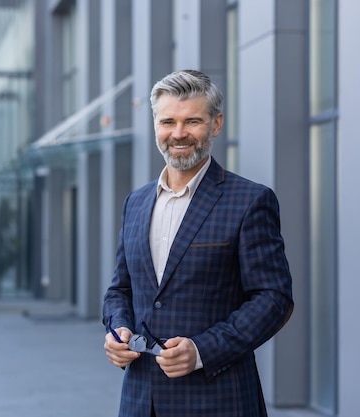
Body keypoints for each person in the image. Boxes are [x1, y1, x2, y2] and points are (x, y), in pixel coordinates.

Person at [102, 69, 293, 417]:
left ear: (216, 124)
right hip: (140, 401)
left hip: (219, 401)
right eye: (167, 122)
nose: (178, 134)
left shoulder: (250, 200)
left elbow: (273, 299)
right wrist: (117, 330)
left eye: (192, 121)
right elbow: (120, 290)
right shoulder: (136, 203)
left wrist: (202, 349)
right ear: (156, 125)